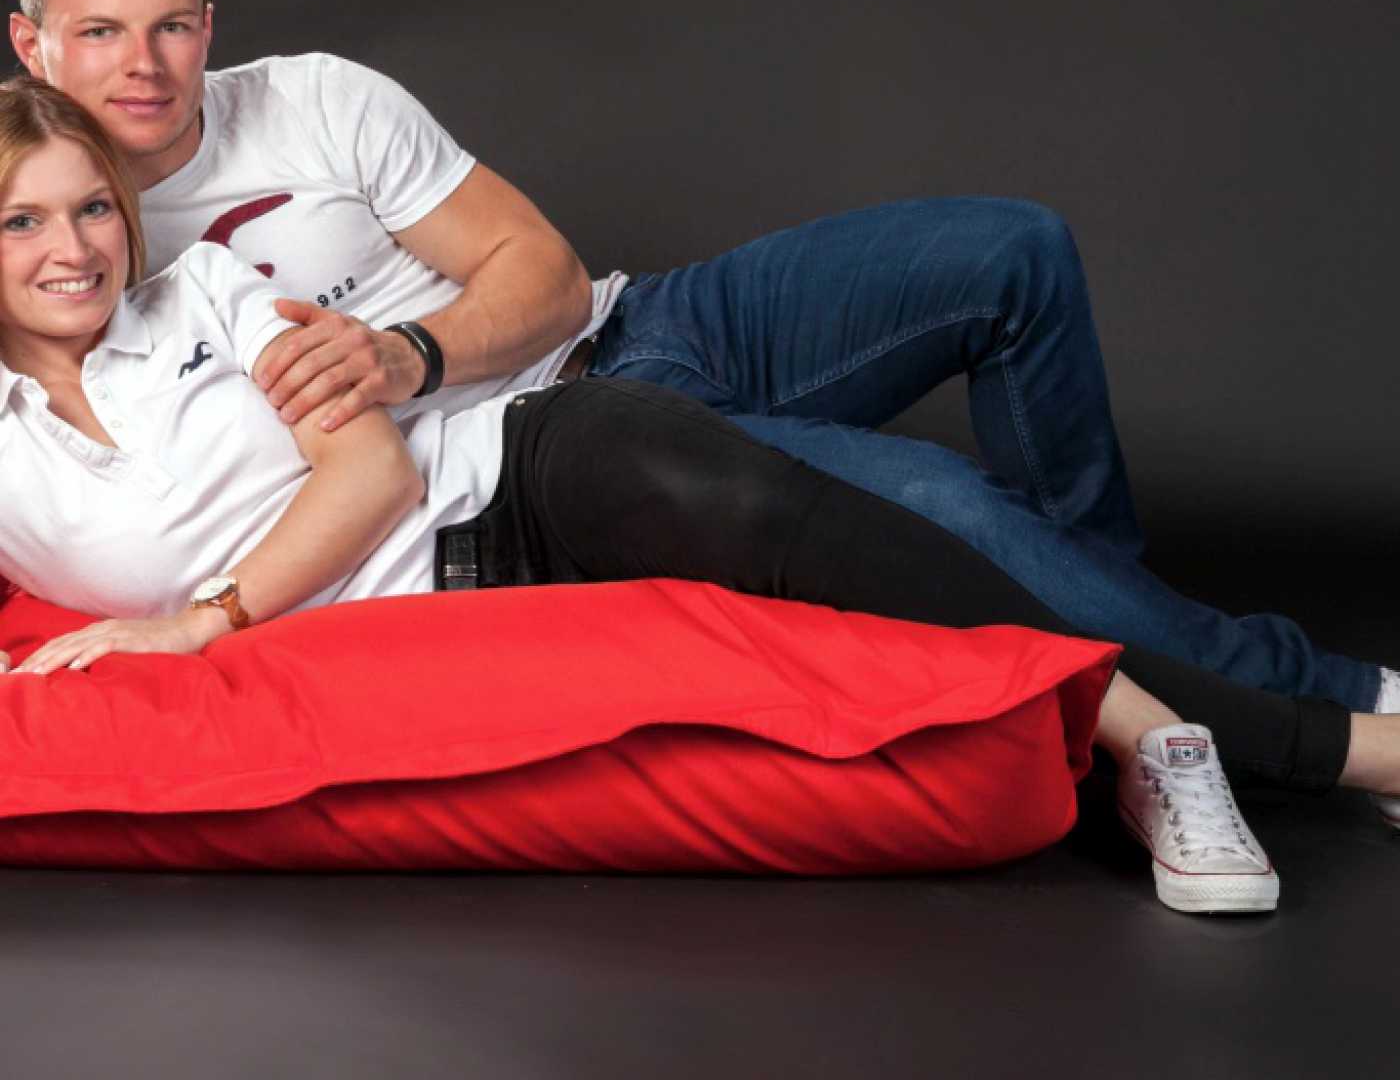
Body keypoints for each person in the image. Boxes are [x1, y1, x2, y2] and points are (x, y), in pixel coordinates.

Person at [3, 75, 1400, 915]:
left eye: (92, 207)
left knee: (845, 509)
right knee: (918, 507)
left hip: (532, 468)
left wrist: (208, 619)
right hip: (460, 591)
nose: (75, 248)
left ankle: (1243, 742)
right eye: (22, 219)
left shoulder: (206, 287)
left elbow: (370, 465)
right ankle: (1238, 728)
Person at [14, 0, 1390, 718]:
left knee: (1010, 251)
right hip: (562, 456)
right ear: (32, 45)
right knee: (945, 504)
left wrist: (409, 352)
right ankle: (1314, 697)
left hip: (636, 326)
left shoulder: (315, 99)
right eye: (100, 31)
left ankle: (1137, 671)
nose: (144, 66)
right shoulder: (63, 235)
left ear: (210, 24)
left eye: (173, 24)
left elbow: (543, 273)